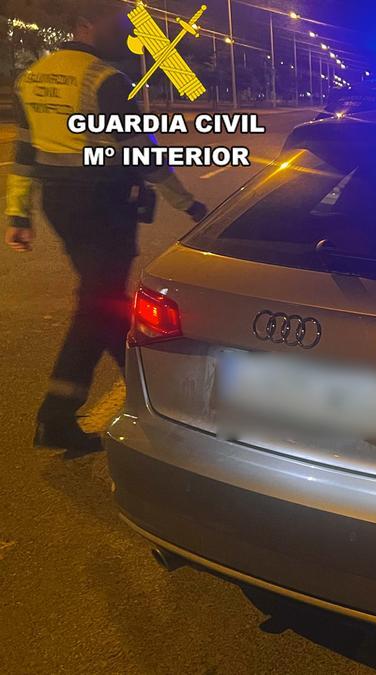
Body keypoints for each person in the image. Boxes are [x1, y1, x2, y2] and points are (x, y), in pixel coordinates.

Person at [4, 0, 207, 452]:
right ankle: (55, 417)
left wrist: (18, 214)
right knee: (97, 304)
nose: (125, 34)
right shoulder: (107, 80)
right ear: (85, 23)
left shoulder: (30, 78)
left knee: (106, 297)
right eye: (118, 25)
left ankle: (142, 387)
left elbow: (24, 155)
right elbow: (144, 154)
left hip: (60, 206)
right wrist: (189, 204)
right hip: (104, 206)